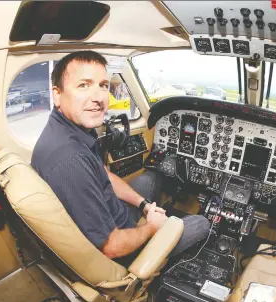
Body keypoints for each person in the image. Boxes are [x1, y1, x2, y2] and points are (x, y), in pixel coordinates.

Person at [31, 51, 210, 265]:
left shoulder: (71, 130)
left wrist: (143, 205)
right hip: (119, 250)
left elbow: (102, 173)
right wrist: (151, 227)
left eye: (103, 85)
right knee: (201, 223)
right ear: (57, 94)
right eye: (83, 85)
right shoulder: (70, 160)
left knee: (150, 179)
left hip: (112, 214)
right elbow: (111, 247)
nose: (98, 98)